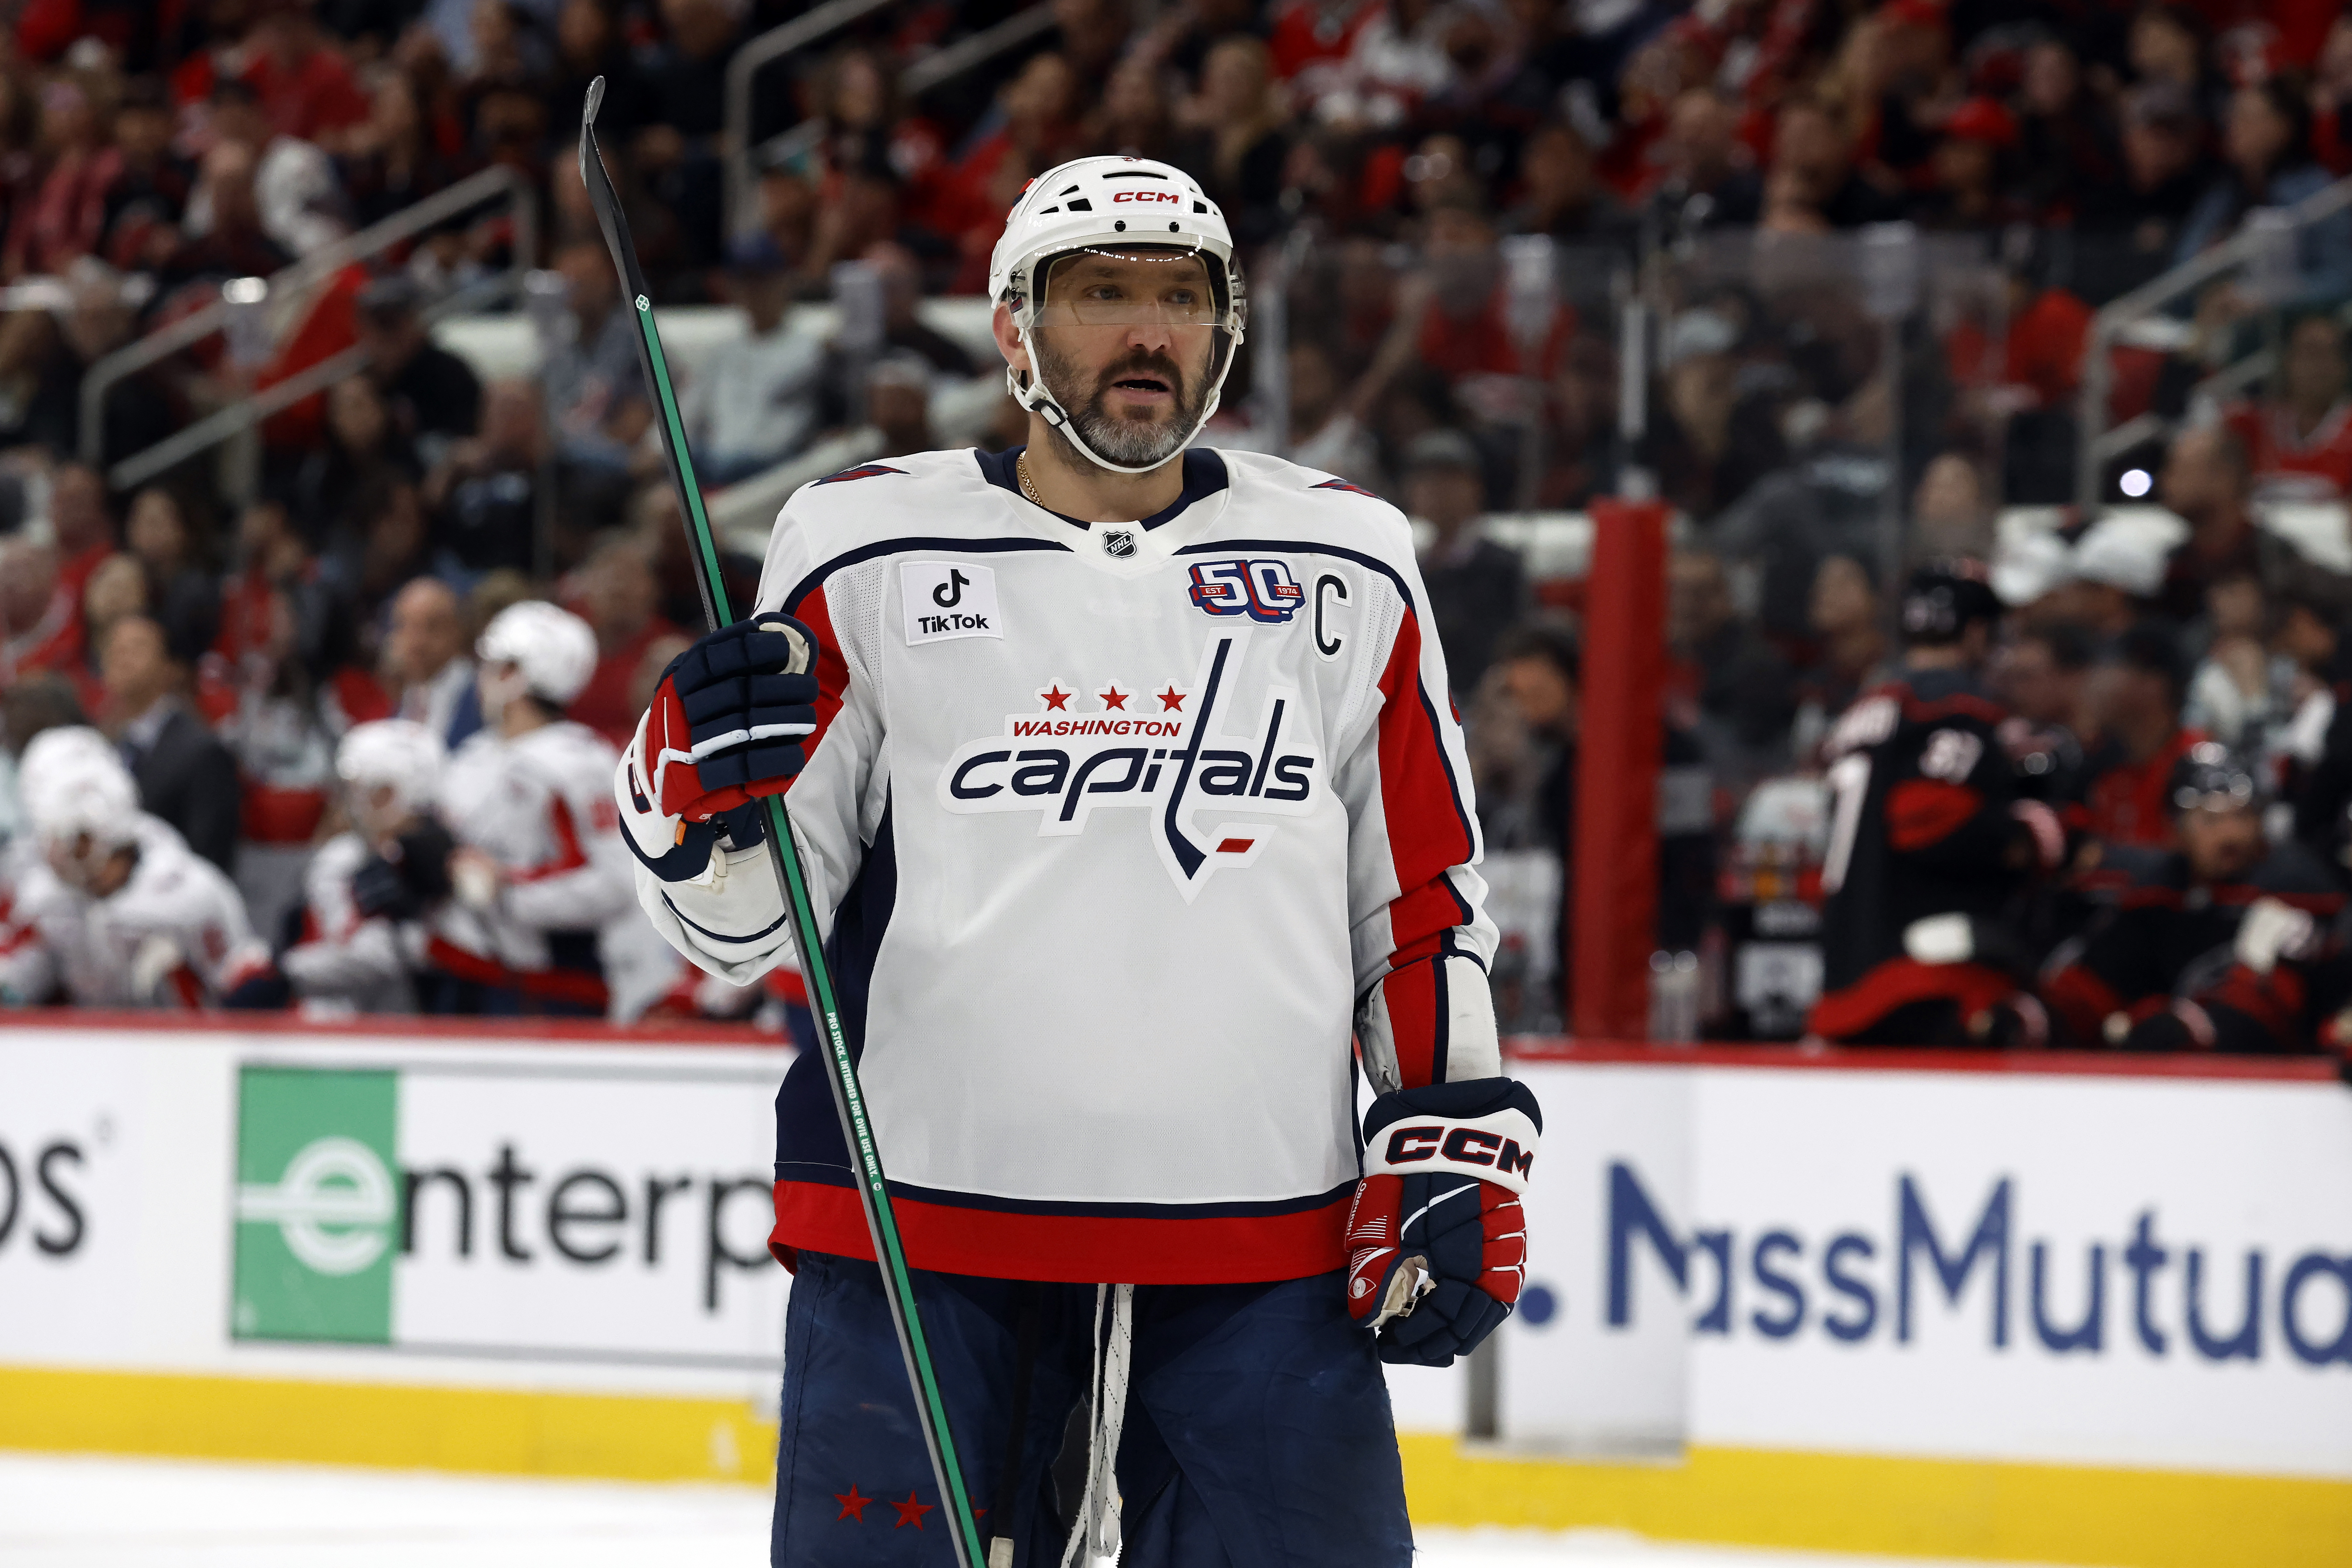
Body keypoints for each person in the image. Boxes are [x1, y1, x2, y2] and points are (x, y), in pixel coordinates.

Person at [612, 154, 1528, 1566]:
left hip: (1260, 1254)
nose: (1147, 331)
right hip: (922, 1248)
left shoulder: (1345, 555)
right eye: (1100, 293)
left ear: (1227, 330)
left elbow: (1414, 900)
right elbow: (745, 927)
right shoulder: (860, 542)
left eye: (1182, 297)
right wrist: (680, 793)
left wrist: (1450, 1136)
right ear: (1013, 327)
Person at [1808, 564, 2065, 1046]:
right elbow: (1924, 818)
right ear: (1976, 633)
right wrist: (2023, 835)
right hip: (1923, 975)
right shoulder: (1958, 707)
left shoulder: (1862, 709)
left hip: (1847, 967)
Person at [2041, 743, 2341, 1048]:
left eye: (2242, 816)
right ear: (2176, 828)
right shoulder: (2157, 892)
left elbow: (2278, 1003)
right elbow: (2101, 980)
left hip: (2270, 1070)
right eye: (2211, 820)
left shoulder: (2292, 889)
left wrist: (2194, 1029)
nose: (2230, 834)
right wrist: (2044, 1017)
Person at [430, 600, 639, 1018]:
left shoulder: (581, 764)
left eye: (494, 665)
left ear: (515, 673)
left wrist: (507, 887)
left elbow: (616, 882)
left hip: (544, 983)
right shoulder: (472, 756)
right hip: (459, 967)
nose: (483, 676)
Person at [0, 726, 275, 1007]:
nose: (47, 852)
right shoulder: (41, 895)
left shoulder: (189, 892)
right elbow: (15, 980)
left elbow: (248, 983)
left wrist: (188, 996)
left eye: (58, 838)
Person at [279, 718, 452, 1014]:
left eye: (364, 789)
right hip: (353, 1014)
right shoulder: (347, 856)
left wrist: (282, 974)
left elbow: (380, 954)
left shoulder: (448, 857)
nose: (352, 802)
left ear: (390, 792)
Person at [103, 613, 241, 875]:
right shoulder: (100, 744)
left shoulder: (202, 752)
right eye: (115, 650)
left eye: (137, 649)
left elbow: (210, 860)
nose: (122, 659)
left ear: (171, 669)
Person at [1407, 427, 1526, 696]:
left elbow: (1517, 643)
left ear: (1475, 487)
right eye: (1426, 481)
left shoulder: (1501, 566)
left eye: (1448, 480)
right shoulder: (1409, 565)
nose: (1436, 492)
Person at [2083, 622, 2206, 850]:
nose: (2095, 683)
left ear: (2153, 684)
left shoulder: (2196, 763)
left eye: (2109, 668)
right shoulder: (2105, 763)